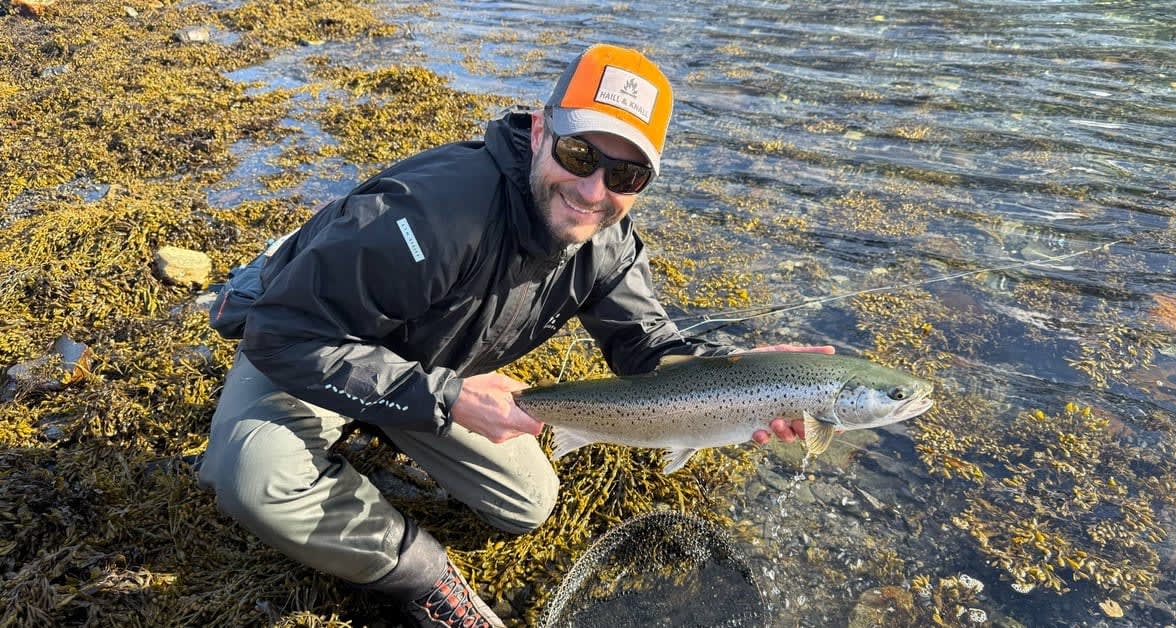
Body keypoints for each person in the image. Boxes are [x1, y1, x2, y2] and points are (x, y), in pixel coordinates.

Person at [198, 43, 831, 628]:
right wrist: (449, 399)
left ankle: (387, 420)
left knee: (526, 502)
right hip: (315, 334)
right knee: (255, 478)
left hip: (427, 365)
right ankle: (421, 577)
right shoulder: (433, 215)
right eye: (579, 154)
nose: (593, 190)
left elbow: (648, 350)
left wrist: (738, 370)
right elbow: (281, 335)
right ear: (538, 131)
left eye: (626, 175)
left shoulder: (607, 242)